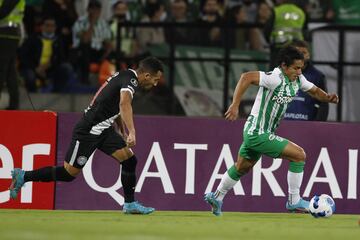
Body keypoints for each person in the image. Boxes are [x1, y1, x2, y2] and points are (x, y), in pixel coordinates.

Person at [9, 56, 164, 215]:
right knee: (68, 174)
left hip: (103, 129)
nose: (155, 83)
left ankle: (130, 204)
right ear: (146, 76)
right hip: (88, 130)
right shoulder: (130, 81)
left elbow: (114, 104)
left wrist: (122, 129)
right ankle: (24, 176)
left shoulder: (126, 76)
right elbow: (124, 104)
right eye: (155, 79)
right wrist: (132, 131)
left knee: (130, 160)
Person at [204, 46, 339, 216]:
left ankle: (217, 196)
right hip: (258, 132)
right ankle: (294, 200)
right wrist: (235, 104)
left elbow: (314, 91)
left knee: (242, 167)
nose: (299, 71)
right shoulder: (274, 77)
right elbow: (246, 77)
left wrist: (327, 97)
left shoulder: (298, 79)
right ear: (284, 65)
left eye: (301, 68)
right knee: (299, 155)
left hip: (257, 131)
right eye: (296, 68)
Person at [18, 16, 73, 92]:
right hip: (34, 68)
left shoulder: (59, 40)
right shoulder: (33, 38)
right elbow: (23, 55)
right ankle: (33, 95)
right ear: (42, 26)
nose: (50, 28)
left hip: (50, 68)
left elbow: (62, 58)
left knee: (67, 68)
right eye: (47, 25)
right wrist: (36, 68)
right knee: (29, 75)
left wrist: (49, 65)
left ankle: (56, 92)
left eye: (53, 26)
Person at [284, 39, 329, 121]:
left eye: (303, 53)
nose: (300, 56)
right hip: (282, 124)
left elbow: (323, 103)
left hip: (307, 126)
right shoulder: (278, 73)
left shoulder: (317, 76)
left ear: (309, 55)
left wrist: (319, 125)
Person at [264, 0, 307, 69]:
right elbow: (304, 31)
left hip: (278, 49)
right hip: (296, 50)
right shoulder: (300, 12)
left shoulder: (277, 11)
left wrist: (270, 42)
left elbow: (267, 30)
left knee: (275, 74)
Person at [0, 0, 25, 110]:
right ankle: (14, 106)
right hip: (6, 34)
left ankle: (14, 105)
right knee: (10, 72)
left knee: (2, 70)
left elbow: (3, 12)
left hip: (8, 35)